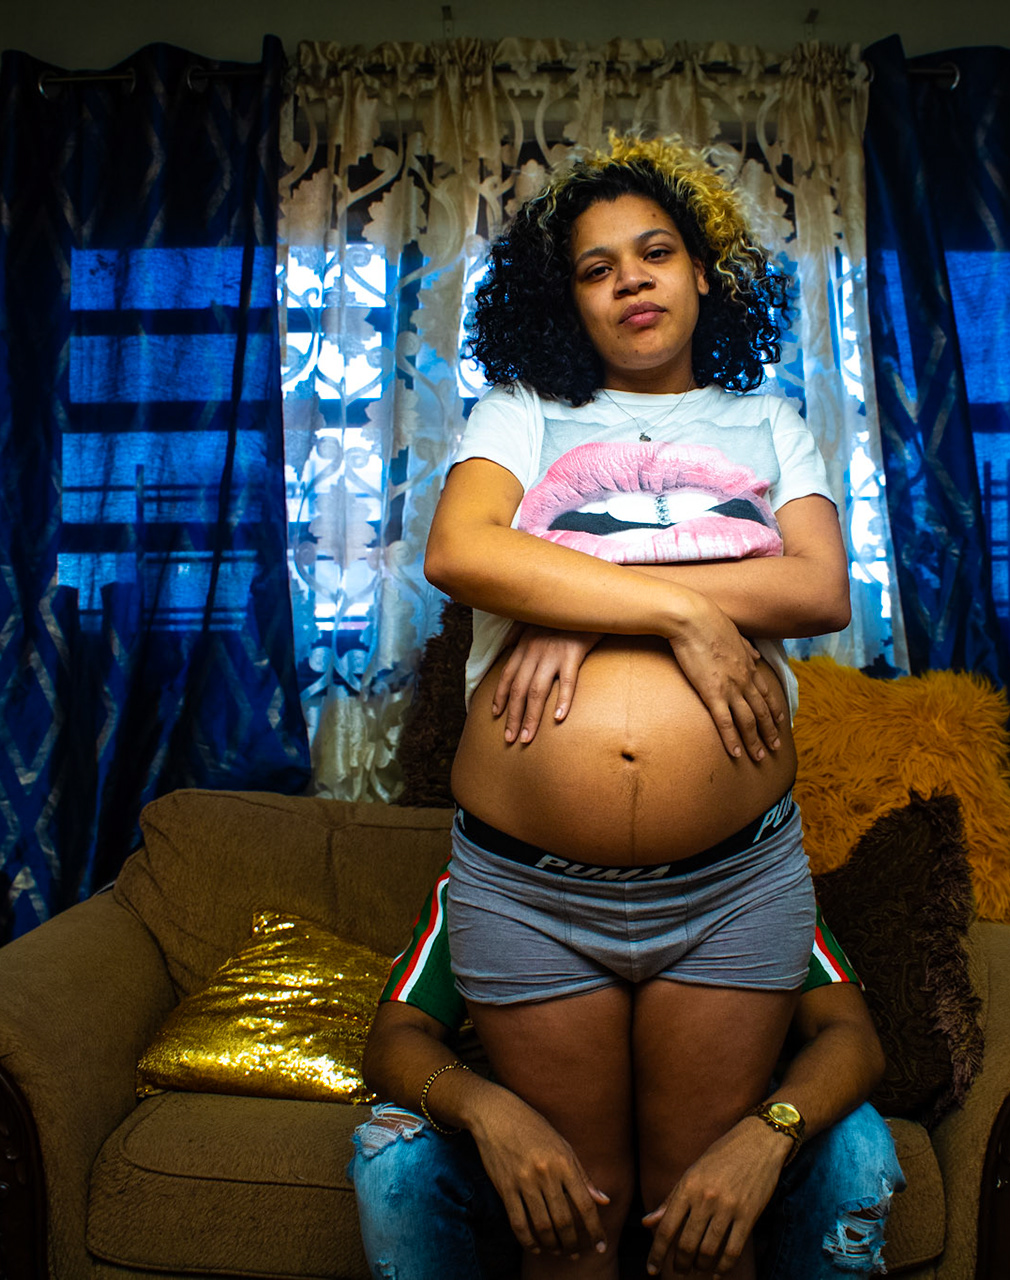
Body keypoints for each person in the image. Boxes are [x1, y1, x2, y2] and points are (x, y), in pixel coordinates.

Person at [417, 136, 853, 1280]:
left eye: (655, 253)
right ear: (566, 297)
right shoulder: (520, 411)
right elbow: (459, 552)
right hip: (527, 888)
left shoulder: (769, 421)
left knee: (697, 1232)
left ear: (704, 270)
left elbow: (817, 588)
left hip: (731, 886)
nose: (631, 280)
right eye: (596, 267)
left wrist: (581, 599)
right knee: (574, 1228)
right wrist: (685, 611)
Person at [354, 873, 900, 1280]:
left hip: (731, 1180)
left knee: (858, 1144)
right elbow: (392, 1040)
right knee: (395, 1155)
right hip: (539, 1186)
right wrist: (488, 1111)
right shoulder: (495, 880)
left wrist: (770, 1132)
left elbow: (851, 1036)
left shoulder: (751, 879)